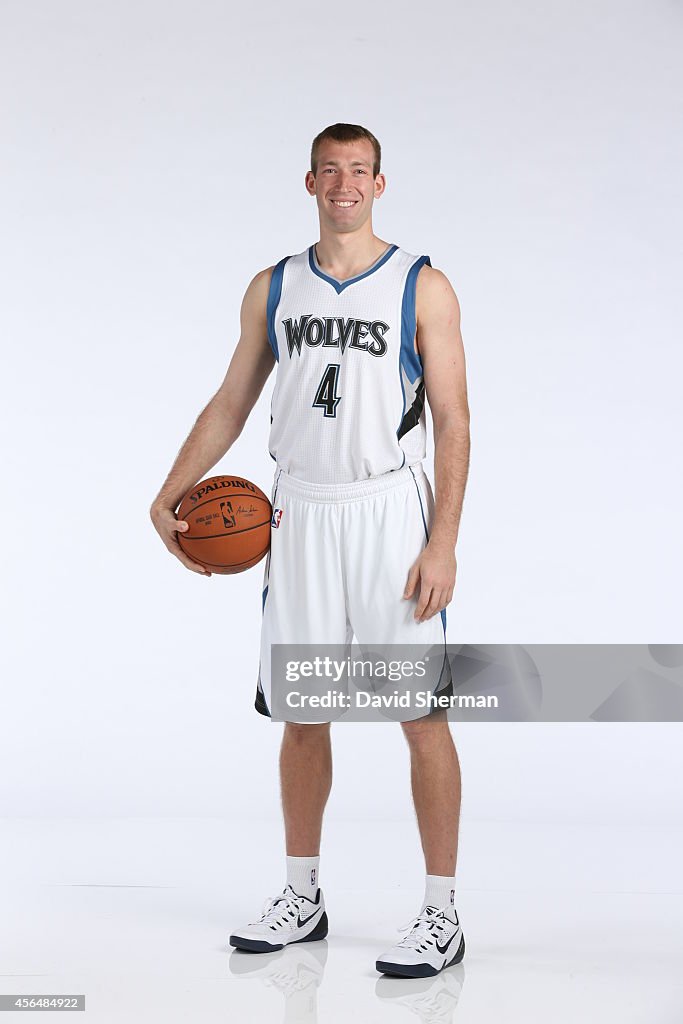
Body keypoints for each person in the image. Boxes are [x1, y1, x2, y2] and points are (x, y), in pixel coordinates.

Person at [150, 122, 470, 978]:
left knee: (421, 715)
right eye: (329, 171)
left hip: (386, 512)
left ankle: (440, 914)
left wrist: (441, 542)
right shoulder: (273, 287)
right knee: (302, 713)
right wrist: (169, 490)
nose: (343, 185)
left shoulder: (421, 285)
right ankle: (303, 897)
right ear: (308, 182)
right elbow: (230, 400)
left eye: (358, 171)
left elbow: (455, 420)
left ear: (379, 183)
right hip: (299, 511)